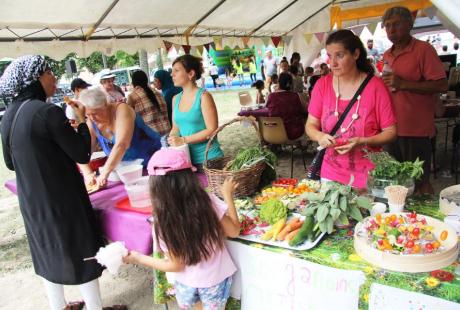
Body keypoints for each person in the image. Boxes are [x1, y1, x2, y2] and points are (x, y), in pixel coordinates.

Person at [0, 55, 106, 310]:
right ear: (35, 78)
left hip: (33, 201)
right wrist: (82, 121)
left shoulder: (8, 116)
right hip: (62, 198)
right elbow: (81, 154)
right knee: (83, 251)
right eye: (49, 72)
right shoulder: (47, 111)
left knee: (46, 251)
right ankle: (94, 307)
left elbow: (11, 163)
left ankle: (58, 305)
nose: (54, 77)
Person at [123, 148, 240, 310]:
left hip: (185, 286)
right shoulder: (208, 202)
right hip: (214, 281)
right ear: (190, 178)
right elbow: (234, 231)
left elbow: (175, 265)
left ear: (154, 187)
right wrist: (228, 196)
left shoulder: (161, 222)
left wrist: (138, 258)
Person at [305, 29, 397, 189]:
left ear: (355, 54)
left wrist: (363, 141)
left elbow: (391, 132)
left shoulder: (376, 86)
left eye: (339, 55)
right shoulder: (322, 85)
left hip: (368, 176)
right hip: (330, 174)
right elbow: (310, 125)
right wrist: (320, 136)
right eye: (329, 56)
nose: (332, 63)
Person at [382, 6, 448, 194]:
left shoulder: (423, 50)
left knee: (419, 181)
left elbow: (441, 85)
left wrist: (404, 84)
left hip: (416, 129)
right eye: (387, 26)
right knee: (395, 180)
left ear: (409, 24)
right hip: (391, 129)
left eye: (396, 24)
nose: (391, 30)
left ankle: (429, 218)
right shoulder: (387, 54)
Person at [78, 88, 161, 187]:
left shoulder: (122, 110)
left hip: (153, 164)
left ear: (105, 105)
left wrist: (104, 173)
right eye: (88, 115)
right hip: (128, 173)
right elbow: (82, 154)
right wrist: (88, 174)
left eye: (95, 113)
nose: (92, 118)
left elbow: (122, 144)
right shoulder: (91, 123)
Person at [168, 55, 224, 167]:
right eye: (172, 71)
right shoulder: (175, 99)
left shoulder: (204, 96)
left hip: (209, 159)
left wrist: (183, 140)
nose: (172, 74)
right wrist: (172, 140)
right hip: (186, 160)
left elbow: (212, 130)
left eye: (176, 71)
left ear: (191, 74)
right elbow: (176, 128)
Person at [127, 70, 171, 135]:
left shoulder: (133, 96)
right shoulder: (157, 93)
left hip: (153, 137)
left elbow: (128, 117)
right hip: (168, 132)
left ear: (133, 82)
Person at [266, 72, 305, 140]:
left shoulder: (271, 96)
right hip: (294, 131)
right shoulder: (295, 96)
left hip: (275, 131)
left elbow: (268, 109)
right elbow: (304, 110)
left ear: (279, 82)